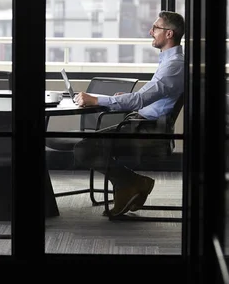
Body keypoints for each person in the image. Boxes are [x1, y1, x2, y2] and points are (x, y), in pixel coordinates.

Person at [73, 11, 185, 217]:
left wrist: (96, 100)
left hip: (149, 131)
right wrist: (130, 97)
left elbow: (141, 100)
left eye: (156, 28)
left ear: (169, 34)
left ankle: (132, 183)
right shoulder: (169, 63)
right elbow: (150, 97)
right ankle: (129, 185)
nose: (151, 32)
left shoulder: (174, 67)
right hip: (141, 122)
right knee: (89, 145)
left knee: (84, 148)